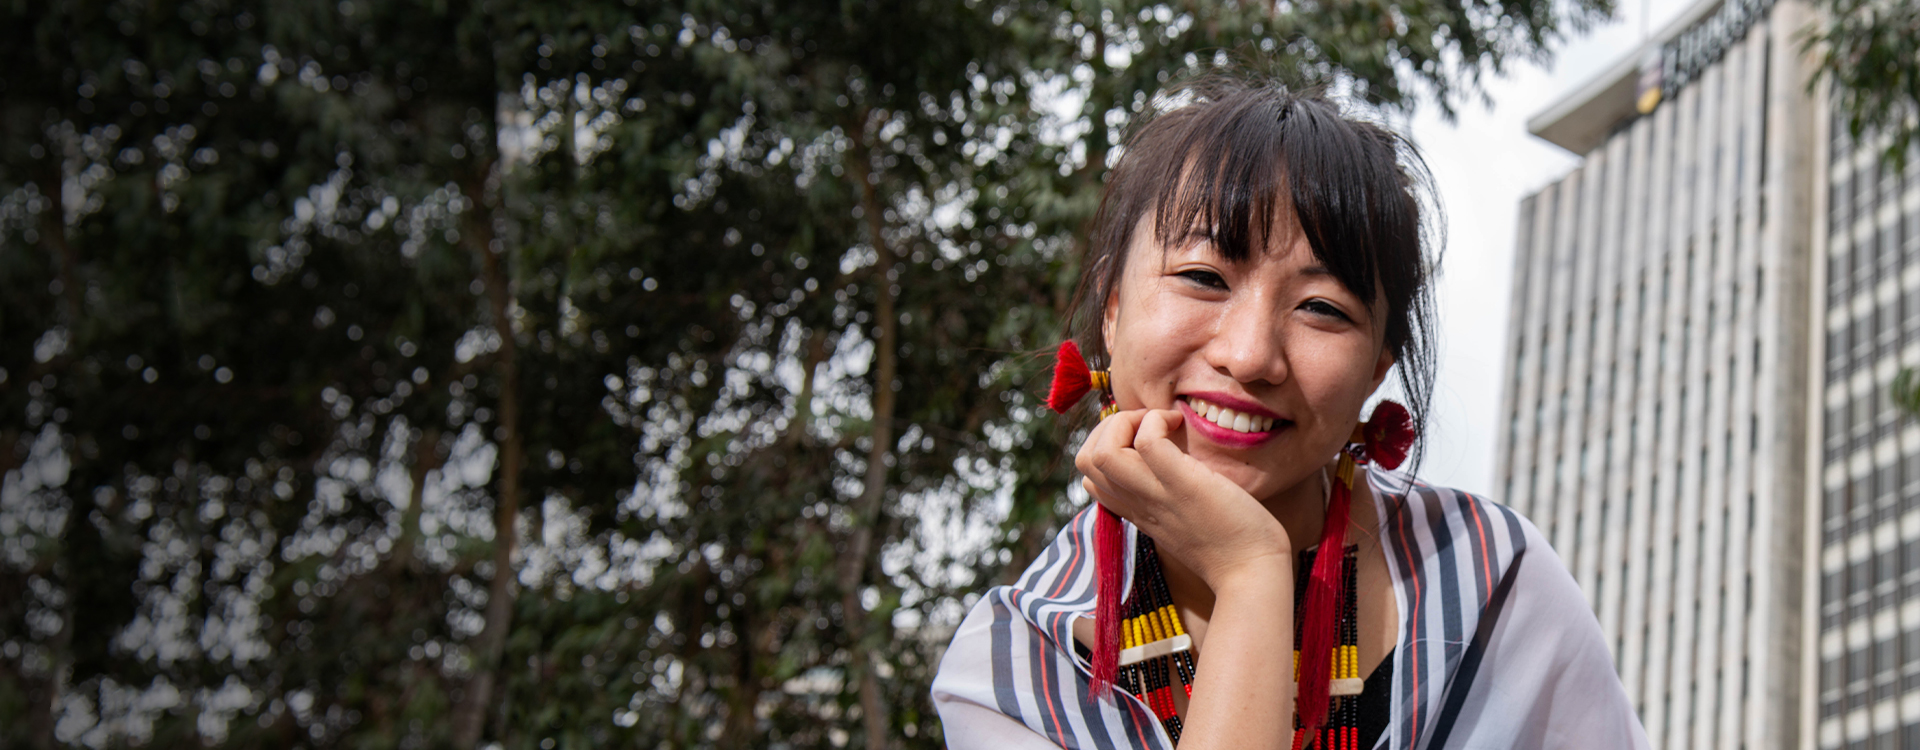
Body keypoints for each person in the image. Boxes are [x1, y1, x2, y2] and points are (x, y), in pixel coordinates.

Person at [929, 75, 1649, 749]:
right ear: (1112, 311)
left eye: (1321, 308)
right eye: (1204, 277)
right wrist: (1250, 575)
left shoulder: (1492, 580)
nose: (1250, 356)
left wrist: (1247, 569)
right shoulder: (1015, 667)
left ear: (1377, 367)